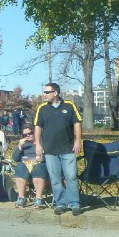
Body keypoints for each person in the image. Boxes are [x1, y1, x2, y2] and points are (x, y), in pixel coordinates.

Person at [34, 83, 82, 216]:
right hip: (50, 150)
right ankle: (60, 203)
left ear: (55, 93)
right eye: (44, 92)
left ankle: (74, 204)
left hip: (67, 149)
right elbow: (38, 127)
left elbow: (77, 124)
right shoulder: (42, 109)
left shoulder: (69, 106)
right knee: (55, 178)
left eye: (47, 92)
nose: (44, 94)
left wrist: (78, 141)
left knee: (71, 177)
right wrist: (38, 144)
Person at [12, 127, 48, 209]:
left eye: (30, 133)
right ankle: (21, 198)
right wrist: (19, 146)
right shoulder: (24, 144)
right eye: (25, 135)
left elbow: (50, 156)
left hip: (40, 163)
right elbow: (15, 158)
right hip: (26, 164)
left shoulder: (42, 142)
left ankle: (38, 199)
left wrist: (42, 158)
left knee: (38, 167)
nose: (28, 135)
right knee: (20, 167)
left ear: (35, 132)